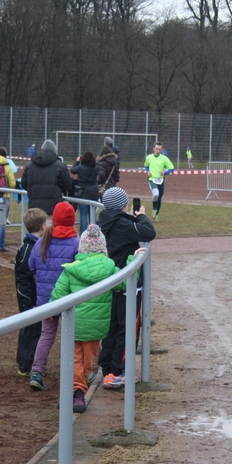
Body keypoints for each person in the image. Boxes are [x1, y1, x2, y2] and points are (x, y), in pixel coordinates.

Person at [50, 224, 123, 412]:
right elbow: (123, 284)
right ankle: (78, 393)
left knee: (74, 359)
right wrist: (133, 260)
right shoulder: (110, 269)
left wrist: (50, 312)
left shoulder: (71, 270)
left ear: (81, 247)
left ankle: (75, 393)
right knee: (87, 361)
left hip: (73, 325)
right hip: (97, 327)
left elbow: (58, 296)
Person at [97, 187, 156, 388]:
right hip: (127, 286)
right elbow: (149, 232)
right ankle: (118, 370)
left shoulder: (103, 222)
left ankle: (107, 368)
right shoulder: (121, 224)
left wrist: (132, 218)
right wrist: (142, 217)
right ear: (123, 205)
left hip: (111, 284)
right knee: (128, 328)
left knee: (112, 329)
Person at [28, 202, 80, 391]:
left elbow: (31, 266)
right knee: (73, 336)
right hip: (68, 299)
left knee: (47, 335)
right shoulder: (76, 243)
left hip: (46, 300)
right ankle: (72, 373)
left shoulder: (42, 241)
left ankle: (36, 371)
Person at [15, 208, 48, 377]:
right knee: (30, 331)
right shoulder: (28, 248)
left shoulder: (35, 245)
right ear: (42, 226)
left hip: (35, 297)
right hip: (29, 299)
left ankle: (31, 363)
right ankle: (25, 365)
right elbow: (22, 277)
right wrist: (26, 300)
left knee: (37, 331)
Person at [21, 139, 72, 215]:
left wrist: (33, 190)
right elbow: (67, 185)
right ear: (54, 151)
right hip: (53, 207)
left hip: (34, 208)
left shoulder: (29, 165)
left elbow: (24, 183)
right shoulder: (60, 166)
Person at [70, 151, 100, 232]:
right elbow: (97, 164)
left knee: (83, 215)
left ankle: (83, 234)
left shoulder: (81, 167)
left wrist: (77, 161)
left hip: (83, 192)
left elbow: (72, 170)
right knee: (92, 214)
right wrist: (97, 160)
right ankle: (94, 232)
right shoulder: (96, 168)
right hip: (94, 192)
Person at [144, 141, 174, 221]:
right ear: (153, 148)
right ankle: (154, 209)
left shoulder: (164, 159)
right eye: (156, 149)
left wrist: (165, 172)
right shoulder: (149, 157)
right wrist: (148, 171)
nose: (158, 151)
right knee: (156, 195)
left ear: (162, 150)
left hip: (161, 180)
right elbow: (146, 166)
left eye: (160, 149)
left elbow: (171, 168)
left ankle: (157, 214)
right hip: (152, 179)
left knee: (160, 198)